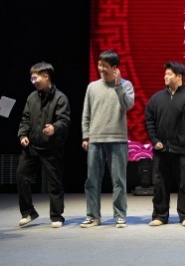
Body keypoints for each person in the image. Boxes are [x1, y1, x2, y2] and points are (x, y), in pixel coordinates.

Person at [81, 50, 135, 228]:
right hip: (95, 139)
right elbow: (86, 113)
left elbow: (128, 105)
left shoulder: (126, 85)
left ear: (115, 68)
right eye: (99, 65)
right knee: (92, 180)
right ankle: (93, 216)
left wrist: (118, 86)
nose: (101, 69)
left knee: (118, 180)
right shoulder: (92, 87)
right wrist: (86, 136)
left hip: (118, 139)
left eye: (105, 66)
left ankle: (120, 215)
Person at [145, 61, 185, 227]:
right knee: (160, 185)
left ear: (179, 76)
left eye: (169, 74)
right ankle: (160, 215)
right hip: (161, 150)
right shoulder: (157, 98)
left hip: (182, 149)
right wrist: (154, 140)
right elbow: (149, 120)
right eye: (165, 74)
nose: (165, 76)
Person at [16, 62, 71, 228]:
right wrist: (22, 135)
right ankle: (28, 212)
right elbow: (25, 119)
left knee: (54, 182)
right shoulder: (32, 97)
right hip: (32, 146)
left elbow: (64, 121)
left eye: (35, 78)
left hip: (51, 147)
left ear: (46, 76)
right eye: (31, 78)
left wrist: (54, 128)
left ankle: (56, 216)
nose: (33, 81)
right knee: (21, 176)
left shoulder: (60, 98)